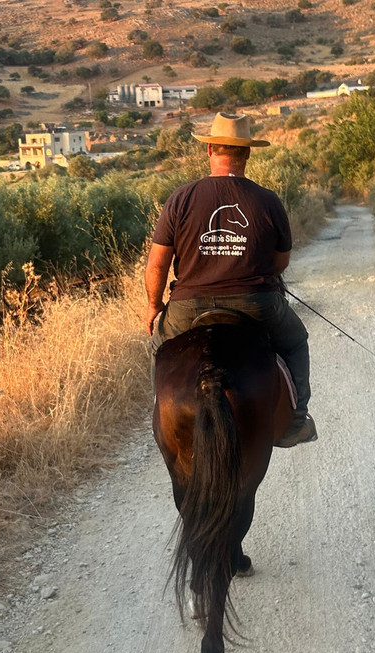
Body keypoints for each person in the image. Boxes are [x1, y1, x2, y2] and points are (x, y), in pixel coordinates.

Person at [144, 113, 317, 448]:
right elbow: (280, 262)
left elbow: (157, 264)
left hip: (187, 307)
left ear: (210, 149)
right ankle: (296, 422)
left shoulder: (180, 198)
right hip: (255, 304)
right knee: (296, 340)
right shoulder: (268, 201)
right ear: (247, 153)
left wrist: (154, 305)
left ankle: (161, 421)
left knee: (159, 347)